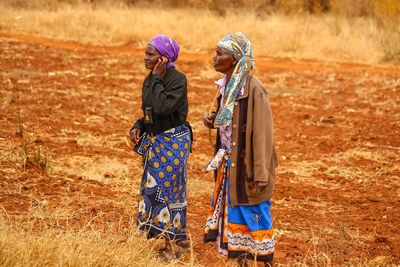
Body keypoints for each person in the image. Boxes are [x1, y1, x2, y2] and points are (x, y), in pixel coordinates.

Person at [203, 32, 279, 267]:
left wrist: (260, 173)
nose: (214, 58)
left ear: (234, 59)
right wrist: (212, 120)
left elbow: (263, 136)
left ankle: (263, 262)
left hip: (248, 169)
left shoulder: (254, 89)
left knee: (255, 218)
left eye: (220, 54)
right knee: (233, 218)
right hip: (231, 167)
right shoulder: (226, 86)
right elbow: (229, 124)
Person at [130, 34, 192, 260]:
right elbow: (149, 111)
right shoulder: (150, 79)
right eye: (145, 53)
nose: (145, 58)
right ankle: (180, 238)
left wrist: (156, 79)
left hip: (173, 142)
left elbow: (163, 107)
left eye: (151, 54)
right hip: (157, 141)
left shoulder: (177, 79)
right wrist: (138, 126)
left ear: (164, 58)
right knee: (156, 190)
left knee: (168, 191)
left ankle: (173, 246)